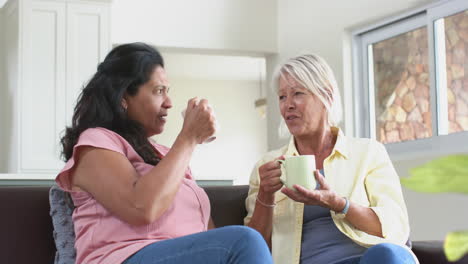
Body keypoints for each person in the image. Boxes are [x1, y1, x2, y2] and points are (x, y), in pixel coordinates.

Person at [56, 42, 272, 264]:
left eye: (168, 92)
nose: (169, 103)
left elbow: (208, 239)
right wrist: (188, 138)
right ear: (123, 97)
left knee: (244, 243)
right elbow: (142, 208)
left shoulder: (167, 156)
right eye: (159, 91)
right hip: (122, 257)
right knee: (243, 240)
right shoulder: (96, 143)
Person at [244, 54, 418, 264]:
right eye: (282, 97)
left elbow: (395, 228)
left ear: (326, 95)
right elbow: (251, 251)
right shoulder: (267, 166)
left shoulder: (368, 152)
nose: (287, 105)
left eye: (297, 93)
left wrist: (339, 204)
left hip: (371, 259)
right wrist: (265, 194)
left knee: (387, 256)